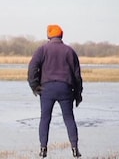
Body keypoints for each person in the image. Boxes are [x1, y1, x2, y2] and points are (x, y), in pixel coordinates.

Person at [27, 24, 83, 158]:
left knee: (45, 118)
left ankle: (43, 149)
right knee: (69, 118)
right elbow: (77, 75)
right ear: (61, 35)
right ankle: (75, 149)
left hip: (47, 88)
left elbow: (32, 68)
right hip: (65, 88)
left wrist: (34, 86)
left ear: (49, 35)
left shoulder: (42, 50)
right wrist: (78, 94)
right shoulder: (70, 51)